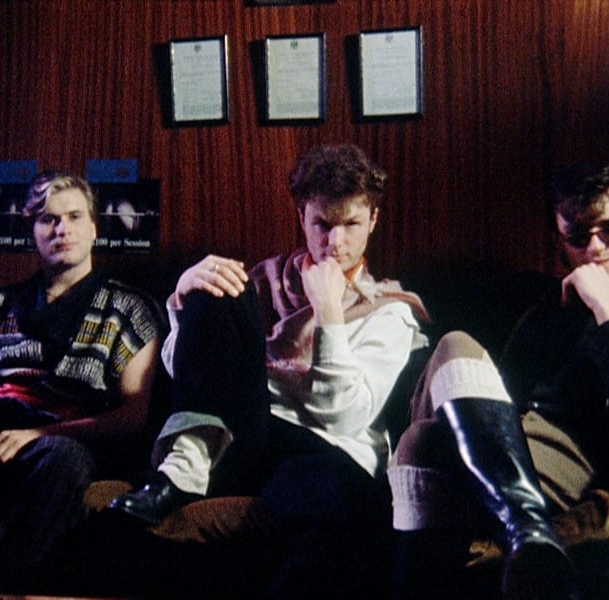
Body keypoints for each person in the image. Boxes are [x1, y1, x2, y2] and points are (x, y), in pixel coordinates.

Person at [101, 144, 431, 598]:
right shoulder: (262, 282)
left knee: (344, 506)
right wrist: (183, 298)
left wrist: (329, 311)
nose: (335, 242)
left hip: (323, 448)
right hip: (242, 434)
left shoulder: (390, 311)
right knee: (217, 280)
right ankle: (183, 467)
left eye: (351, 224)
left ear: (373, 220)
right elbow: (188, 374)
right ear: (302, 217)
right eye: (323, 224)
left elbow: (342, 418)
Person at [385, 163, 609, 600]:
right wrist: (364, 293)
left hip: (567, 459)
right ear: (559, 240)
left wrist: (607, 310)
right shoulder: (530, 300)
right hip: (488, 438)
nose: (596, 248)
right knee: (451, 349)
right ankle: (529, 532)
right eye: (579, 236)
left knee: (418, 446)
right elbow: (429, 298)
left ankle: (513, 536)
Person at [0, 169, 164, 595]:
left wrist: (38, 434)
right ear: (33, 232)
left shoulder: (129, 309)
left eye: (74, 217)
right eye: (48, 219)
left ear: (94, 228)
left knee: (66, 459)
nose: (62, 229)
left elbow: (134, 417)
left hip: (55, 440)